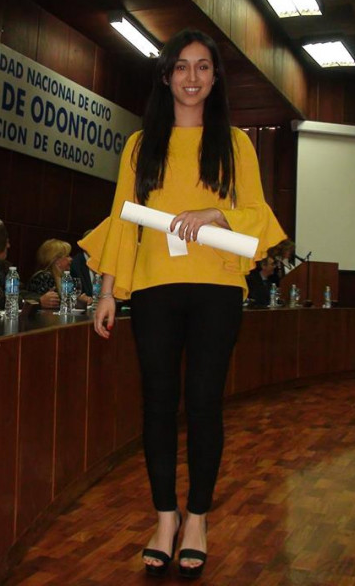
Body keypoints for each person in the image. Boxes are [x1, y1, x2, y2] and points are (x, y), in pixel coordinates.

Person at [80, 29, 286, 579]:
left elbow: (258, 214)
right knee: (157, 405)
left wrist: (217, 216)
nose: (191, 78)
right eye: (181, 67)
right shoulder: (139, 144)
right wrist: (107, 291)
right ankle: (164, 518)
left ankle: (197, 518)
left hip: (218, 289)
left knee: (203, 403)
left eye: (202, 67)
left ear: (215, 78)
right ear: (166, 76)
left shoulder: (236, 142)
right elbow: (123, 220)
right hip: (153, 289)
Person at [27, 239, 80, 309]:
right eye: (67, 256)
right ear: (57, 260)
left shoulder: (64, 278)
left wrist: (79, 300)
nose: (71, 259)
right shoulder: (44, 277)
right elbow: (52, 305)